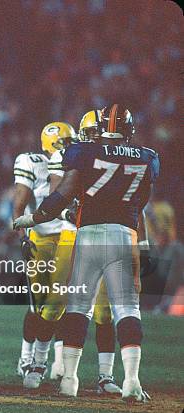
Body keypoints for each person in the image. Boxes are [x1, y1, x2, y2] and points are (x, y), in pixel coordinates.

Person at [14, 104, 158, 402]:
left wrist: (33, 218)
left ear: (103, 129)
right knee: (128, 309)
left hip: (88, 233)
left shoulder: (84, 153)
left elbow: (61, 195)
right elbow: (139, 206)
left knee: (80, 307)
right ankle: (132, 379)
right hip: (124, 236)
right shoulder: (147, 157)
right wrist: (144, 250)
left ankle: (70, 378)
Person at [47, 110, 121, 395]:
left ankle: (105, 375)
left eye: (97, 134)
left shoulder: (114, 158)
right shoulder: (73, 155)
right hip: (73, 233)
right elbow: (57, 196)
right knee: (62, 302)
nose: (94, 139)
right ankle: (55, 367)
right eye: (90, 134)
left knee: (105, 311)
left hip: (104, 234)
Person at [11, 121, 76, 388]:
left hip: (68, 234)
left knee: (59, 300)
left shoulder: (78, 161)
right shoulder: (31, 161)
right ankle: (27, 357)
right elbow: (19, 204)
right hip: (41, 235)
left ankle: (51, 360)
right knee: (37, 303)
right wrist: (22, 237)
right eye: (64, 142)